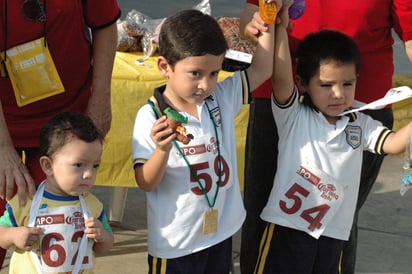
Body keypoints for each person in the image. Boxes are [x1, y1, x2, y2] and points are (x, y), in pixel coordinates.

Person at [239, 1, 412, 273]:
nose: (337, 94)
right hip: (285, 231)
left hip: (332, 233)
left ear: (356, 78)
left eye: (346, 84)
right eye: (327, 85)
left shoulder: (361, 124)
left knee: (340, 221)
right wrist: (276, 26)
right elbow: (279, 69)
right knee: (260, 219)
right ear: (302, 83)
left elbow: (394, 143)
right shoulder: (292, 114)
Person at [131, 9, 275, 273]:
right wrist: (162, 149)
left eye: (214, 73)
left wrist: (268, 19)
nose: (206, 85)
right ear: (165, 67)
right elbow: (145, 182)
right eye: (195, 73)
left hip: (220, 233)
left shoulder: (220, 98)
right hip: (177, 245)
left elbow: (263, 68)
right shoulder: (151, 116)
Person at [0, 0, 120, 268]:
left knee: (62, 225)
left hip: (64, 124)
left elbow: (105, 24)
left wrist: (101, 98)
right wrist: (1, 148)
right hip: (3, 121)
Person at [0, 111, 114, 273]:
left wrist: (102, 236)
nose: (89, 174)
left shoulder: (92, 205)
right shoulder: (25, 201)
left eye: (95, 166)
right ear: (47, 165)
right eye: (78, 165)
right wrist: (13, 235)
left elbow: (104, 247)